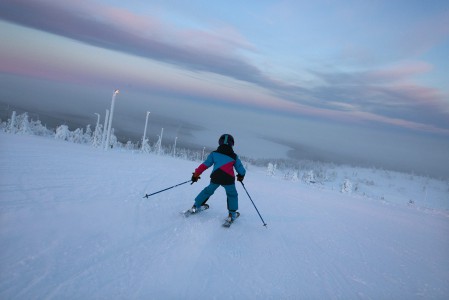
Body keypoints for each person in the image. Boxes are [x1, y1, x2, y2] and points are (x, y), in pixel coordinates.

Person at [190, 134, 246, 221]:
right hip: (228, 179)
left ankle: (196, 206)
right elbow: (241, 170)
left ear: (220, 142)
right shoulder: (234, 156)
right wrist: (241, 176)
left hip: (216, 177)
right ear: (232, 144)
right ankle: (231, 214)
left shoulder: (214, 154)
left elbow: (205, 165)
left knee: (208, 191)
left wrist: (196, 174)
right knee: (232, 194)